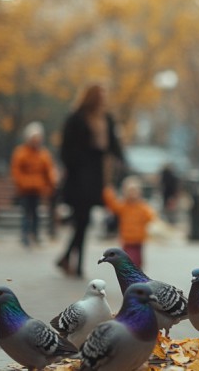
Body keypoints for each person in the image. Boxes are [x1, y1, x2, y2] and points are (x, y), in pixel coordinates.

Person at [57, 82, 125, 278]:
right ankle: (74, 264)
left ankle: (67, 258)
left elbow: (113, 145)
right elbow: (66, 149)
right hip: (80, 174)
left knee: (83, 220)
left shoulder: (106, 119)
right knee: (82, 218)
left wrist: (122, 161)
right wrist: (75, 166)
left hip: (97, 174)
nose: (104, 98)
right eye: (101, 94)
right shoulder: (76, 118)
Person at [10, 122, 58, 247]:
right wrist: (21, 183)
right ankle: (25, 236)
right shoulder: (21, 152)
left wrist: (51, 184)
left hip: (38, 189)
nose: (37, 141)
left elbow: (48, 171)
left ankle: (35, 235)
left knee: (36, 213)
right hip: (25, 189)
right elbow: (16, 171)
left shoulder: (43, 154)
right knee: (26, 213)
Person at [103, 175, 157, 268]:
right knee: (128, 261)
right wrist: (108, 190)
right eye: (130, 191)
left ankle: (137, 277)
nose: (132, 193)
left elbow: (151, 217)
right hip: (127, 240)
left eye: (135, 190)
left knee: (138, 262)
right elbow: (112, 204)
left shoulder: (142, 207)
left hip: (138, 240)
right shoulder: (123, 206)